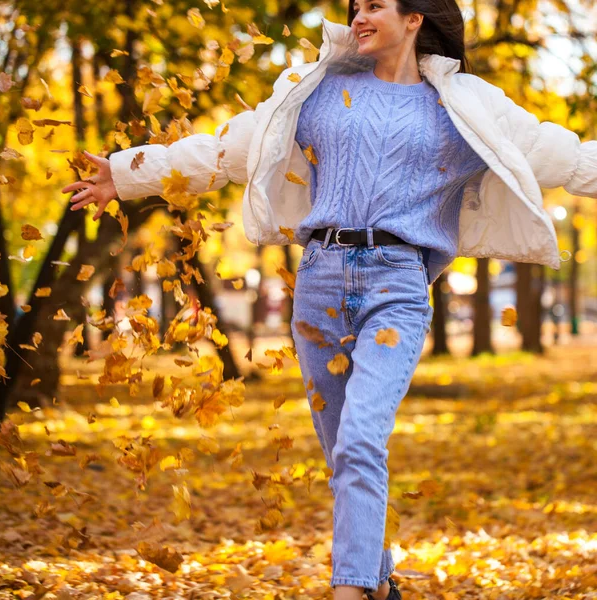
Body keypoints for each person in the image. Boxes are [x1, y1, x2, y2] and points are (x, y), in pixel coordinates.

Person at [62, 1, 597, 598]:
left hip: (397, 284)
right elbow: (225, 149)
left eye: (373, 6)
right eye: (355, 7)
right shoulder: (316, 90)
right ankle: (376, 580)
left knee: (363, 436)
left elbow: (566, 156)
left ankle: (348, 590)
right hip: (318, 284)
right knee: (345, 449)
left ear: (414, 17)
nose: (358, 16)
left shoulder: (464, 104)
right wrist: (127, 172)